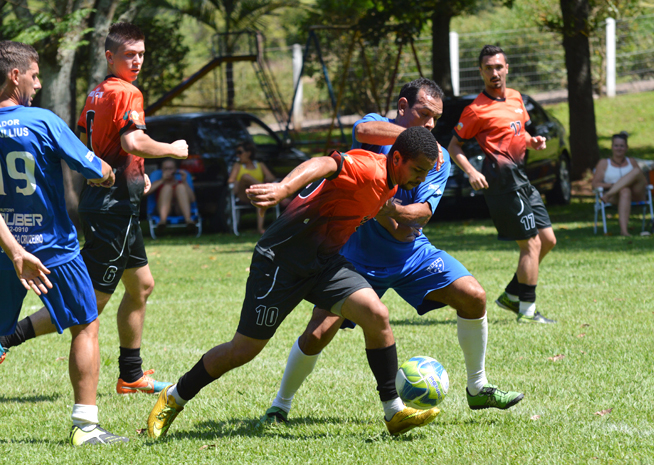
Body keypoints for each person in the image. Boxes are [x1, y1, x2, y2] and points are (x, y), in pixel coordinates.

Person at [147, 127, 441, 439]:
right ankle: (174, 397)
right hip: (280, 260)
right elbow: (327, 164)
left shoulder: (390, 186)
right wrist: (283, 187)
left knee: (376, 314)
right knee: (243, 350)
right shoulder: (368, 168)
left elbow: (377, 210)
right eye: (418, 170)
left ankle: (394, 412)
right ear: (397, 158)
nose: (421, 179)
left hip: (323, 263)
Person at [260, 78, 523, 425]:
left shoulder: (437, 158)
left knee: (473, 295)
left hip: (410, 254)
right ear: (402, 107)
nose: (430, 125)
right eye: (423, 114)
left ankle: (478, 387)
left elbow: (422, 215)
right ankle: (280, 405)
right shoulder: (373, 130)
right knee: (318, 332)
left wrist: (383, 207)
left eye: (436, 119)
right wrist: (389, 211)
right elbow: (365, 128)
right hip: (355, 258)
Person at [0, 23, 188, 395]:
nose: (137, 62)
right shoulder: (127, 92)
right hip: (110, 206)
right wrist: (172, 149)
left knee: (141, 286)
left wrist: (135, 175)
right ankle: (10, 338)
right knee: (89, 304)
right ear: (110, 57)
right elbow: (130, 141)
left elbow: (93, 143)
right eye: (129, 54)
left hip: (114, 199)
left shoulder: (96, 93)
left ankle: (130, 374)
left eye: (141, 54)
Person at [0, 40, 127, 445]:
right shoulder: (42, 121)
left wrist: (15, 251)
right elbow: (92, 166)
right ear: (14, 75)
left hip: (5, 251)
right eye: (34, 76)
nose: (37, 85)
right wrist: (106, 172)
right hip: (53, 248)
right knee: (85, 325)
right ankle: (86, 428)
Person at [447, 45, 557, 324]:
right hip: (502, 184)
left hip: (523, 179)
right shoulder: (475, 110)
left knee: (547, 240)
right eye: (488, 68)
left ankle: (511, 294)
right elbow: (453, 145)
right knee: (530, 244)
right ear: (481, 72)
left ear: (507, 68)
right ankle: (528, 311)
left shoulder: (517, 98)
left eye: (498, 67)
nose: (494, 73)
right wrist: (471, 170)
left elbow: (521, 134)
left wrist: (534, 141)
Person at [591, 132, 648, 236]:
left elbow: (643, 181)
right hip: (616, 197)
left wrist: (623, 184)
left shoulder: (632, 161)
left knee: (636, 171)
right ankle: (624, 231)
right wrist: (613, 186)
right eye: (616, 145)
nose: (619, 148)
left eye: (622, 146)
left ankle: (608, 195)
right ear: (612, 147)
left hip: (636, 194)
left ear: (626, 147)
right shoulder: (604, 163)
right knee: (624, 190)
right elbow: (595, 184)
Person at [226, 141, 276, 234]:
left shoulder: (259, 165)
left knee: (259, 198)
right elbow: (230, 181)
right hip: (243, 194)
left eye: (240, 152)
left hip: (256, 194)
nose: (238, 155)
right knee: (245, 177)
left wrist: (268, 178)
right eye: (237, 153)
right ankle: (265, 189)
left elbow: (272, 177)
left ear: (248, 153)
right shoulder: (237, 166)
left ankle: (260, 229)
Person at [146, 158, 197, 234]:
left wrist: (184, 182)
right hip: (162, 209)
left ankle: (188, 220)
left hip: (179, 209)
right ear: (161, 170)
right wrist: (163, 180)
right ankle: (162, 221)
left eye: (171, 169)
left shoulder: (180, 182)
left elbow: (192, 200)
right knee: (167, 187)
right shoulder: (158, 182)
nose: (168, 171)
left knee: (180, 187)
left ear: (175, 170)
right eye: (166, 169)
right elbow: (146, 192)